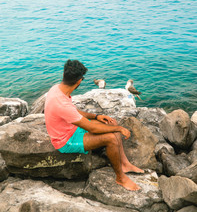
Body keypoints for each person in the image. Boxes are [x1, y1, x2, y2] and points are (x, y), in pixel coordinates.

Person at [44, 59, 144, 191]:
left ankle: (125, 164)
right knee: (112, 138)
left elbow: (72, 111)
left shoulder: (57, 89)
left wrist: (96, 116)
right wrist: (119, 129)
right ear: (79, 80)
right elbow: (91, 128)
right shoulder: (60, 102)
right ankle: (120, 177)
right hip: (65, 140)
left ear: (64, 75)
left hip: (72, 128)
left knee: (110, 123)